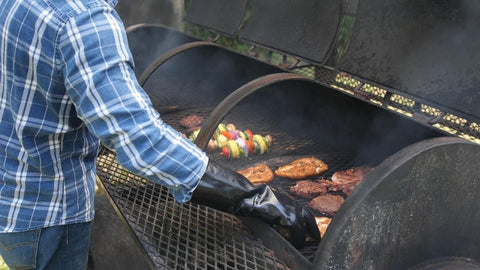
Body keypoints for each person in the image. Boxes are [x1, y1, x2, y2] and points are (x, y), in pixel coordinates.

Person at [0, 0, 319, 269]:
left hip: (15, 197)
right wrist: (252, 196)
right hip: (53, 217)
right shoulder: (85, 19)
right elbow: (142, 141)